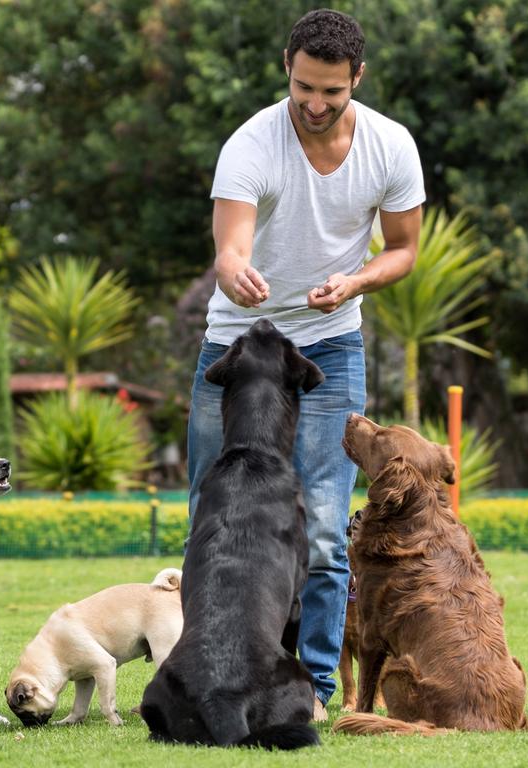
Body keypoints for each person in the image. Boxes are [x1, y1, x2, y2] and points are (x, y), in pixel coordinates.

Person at [186, 8, 425, 721]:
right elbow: (231, 244)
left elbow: (403, 249)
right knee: (212, 516)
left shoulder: (390, 146)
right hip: (238, 350)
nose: (315, 105)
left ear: (358, 78)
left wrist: (355, 283)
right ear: (286, 66)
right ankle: (205, 671)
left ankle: (313, 690)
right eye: (303, 89)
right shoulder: (251, 143)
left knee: (322, 526)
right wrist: (234, 272)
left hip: (329, 348)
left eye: (332, 92)